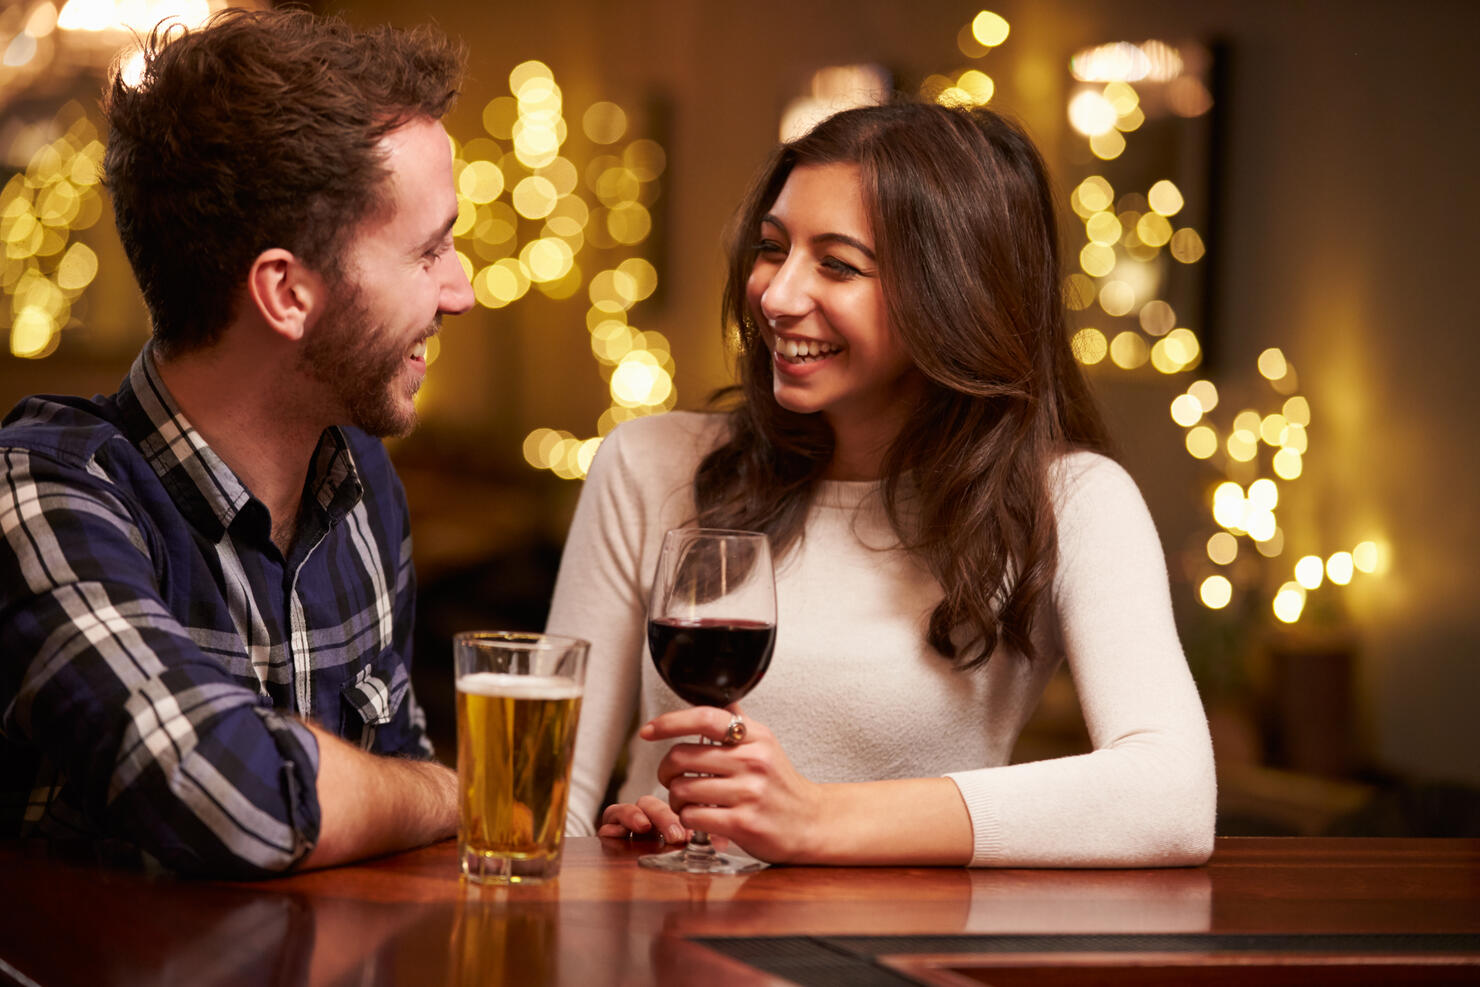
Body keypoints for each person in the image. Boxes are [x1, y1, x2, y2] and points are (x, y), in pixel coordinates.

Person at [547, 99, 1216, 867]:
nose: (776, 294)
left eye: (838, 264)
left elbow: (1173, 796)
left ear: (952, 292)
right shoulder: (649, 462)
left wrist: (813, 820)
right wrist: (610, 868)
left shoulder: (1072, 502)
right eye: (772, 247)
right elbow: (552, 802)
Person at [0, 9, 475, 877]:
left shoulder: (364, 482)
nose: (462, 289)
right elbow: (238, 799)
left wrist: (406, 796)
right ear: (285, 292)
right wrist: (457, 794)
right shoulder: (44, 491)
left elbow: (391, 821)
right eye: (428, 250)